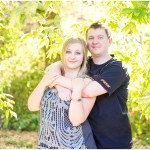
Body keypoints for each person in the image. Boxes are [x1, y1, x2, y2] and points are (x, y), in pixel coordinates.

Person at [46, 22, 133, 149]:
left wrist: (57, 80)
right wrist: (59, 87)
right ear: (86, 43)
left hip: (114, 141)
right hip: (87, 139)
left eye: (100, 37)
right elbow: (52, 68)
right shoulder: (83, 63)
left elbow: (89, 92)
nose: (95, 41)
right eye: (91, 38)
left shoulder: (117, 68)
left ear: (109, 41)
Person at [27, 37, 97, 149]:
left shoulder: (87, 83)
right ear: (63, 54)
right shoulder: (52, 76)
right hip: (46, 145)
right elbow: (32, 106)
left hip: (75, 146)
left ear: (84, 57)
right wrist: (45, 81)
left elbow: (76, 121)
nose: (72, 56)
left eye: (78, 53)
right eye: (68, 52)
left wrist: (77, 90)